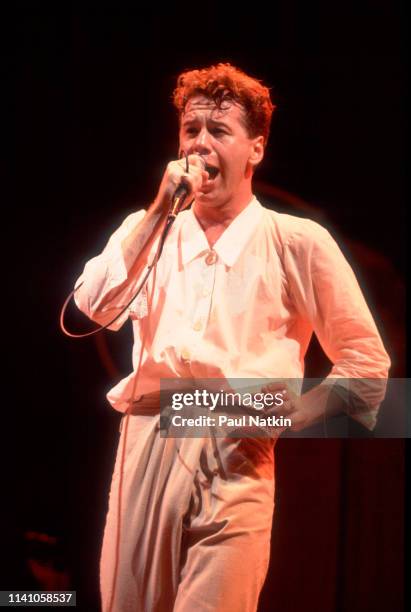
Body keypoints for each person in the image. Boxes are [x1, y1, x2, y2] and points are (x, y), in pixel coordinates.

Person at [74, 63, 390, 612]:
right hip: (149, 431)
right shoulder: (145, 228)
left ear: (256, 149)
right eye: (191, 131)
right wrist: (156, 213)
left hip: (238, 453)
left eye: (218, 132)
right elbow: (91, 308)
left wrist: (282, 420)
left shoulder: (297, 242)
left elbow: (367, 367)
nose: (200, 144)